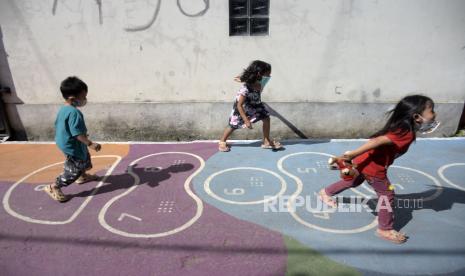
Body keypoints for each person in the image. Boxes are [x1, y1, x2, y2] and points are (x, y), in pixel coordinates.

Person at [319, 95, 439, 243]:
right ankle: (385, 229)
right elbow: (379, 140)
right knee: (387, 194)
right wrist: (353, 153)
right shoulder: (405, 133)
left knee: (354, 181)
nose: (434, 114)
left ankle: (325, 193)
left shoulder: (401, 128)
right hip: (374, 168)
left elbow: (382, 142)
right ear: (417, 117)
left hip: (365, 160)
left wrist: (357, 156)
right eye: (432, 111)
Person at [44, 76, 102, 202]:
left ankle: (83, 176)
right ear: (72, 98)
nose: (85, 100)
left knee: (85, 158)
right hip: (72, 145)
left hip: (68, 142)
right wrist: (90, 143)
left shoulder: (64, 109)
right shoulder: (74, 113)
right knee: (73, 170)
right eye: (83, 97)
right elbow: (76, 133)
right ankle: (53, 187)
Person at [218, 60, 282, 152]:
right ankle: (222, 141)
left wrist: (243, 79)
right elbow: (239, 105)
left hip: (255, 105)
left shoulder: (261, 81)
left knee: (266, 118)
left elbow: (250, 78)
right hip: (242, 107)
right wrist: (246, 120)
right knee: (233, 125)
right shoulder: (245, 88)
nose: (269, 76)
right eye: (268, 73)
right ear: (260, 73)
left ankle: (266, 141)